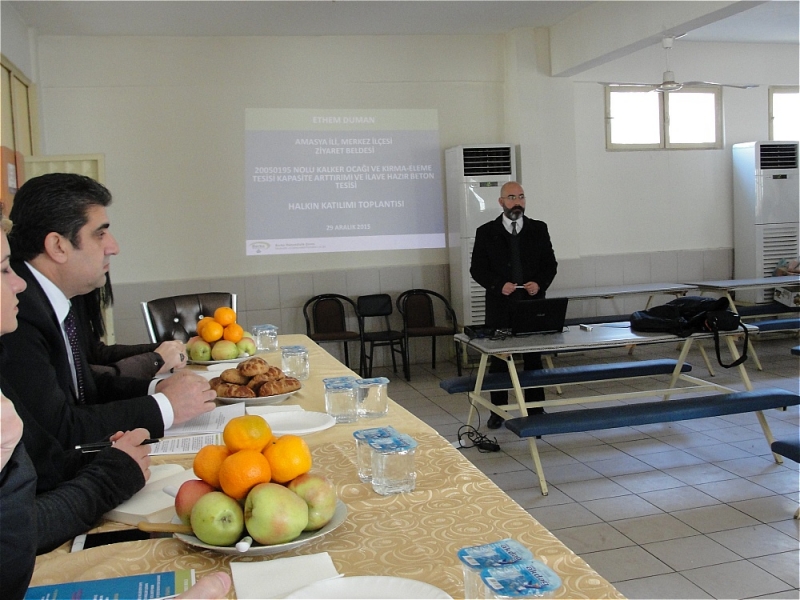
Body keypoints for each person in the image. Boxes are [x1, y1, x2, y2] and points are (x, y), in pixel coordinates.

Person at [0, 214, 231, 600]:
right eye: (3, 269)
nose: (18, 282)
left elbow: (48, 447)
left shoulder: (54, 307)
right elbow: (19, 527)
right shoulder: (23, 322)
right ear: (58, 245)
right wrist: (108, 477)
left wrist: (104, 456)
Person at [0, 173, 216, 482]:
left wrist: (157, 388)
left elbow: (84, 388)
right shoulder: (17, 312)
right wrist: (163, 407)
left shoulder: (58, 296)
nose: (113, 247)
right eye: (100, 234)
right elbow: (61, 429)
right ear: (58, 246)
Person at [470, 181, 558, 429]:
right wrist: (499, 285)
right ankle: (498, 410)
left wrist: (539, 283)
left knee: (533, 358)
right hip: (501, 305)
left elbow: (550, 265)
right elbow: (477, 269)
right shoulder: (486, 231)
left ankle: (535, 408)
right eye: (511, 197)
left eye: (521, 197)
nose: (517, 202)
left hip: (531, 305)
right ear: (501, 202)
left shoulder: (538, 229)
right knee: (499, 360)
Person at [75, 273, 188, 378]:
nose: (114, 250)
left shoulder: (76, 300)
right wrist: (155, 360)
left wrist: (163, 349)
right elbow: (82, 378)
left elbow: (96, 353)